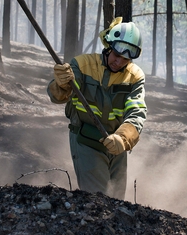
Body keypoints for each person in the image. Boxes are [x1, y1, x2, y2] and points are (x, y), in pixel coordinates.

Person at [47, 18, 147, 199]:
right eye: (117, 55)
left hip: (117, 145)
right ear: (108, 46)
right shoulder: (82, 65)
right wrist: (61, 84)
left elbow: (137, 111)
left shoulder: (135, 76)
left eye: (125, 59)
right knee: (97, 199)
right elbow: (58, 96)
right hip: (87, 140)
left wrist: (123, 139)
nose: (119, 62)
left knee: (117, 202)